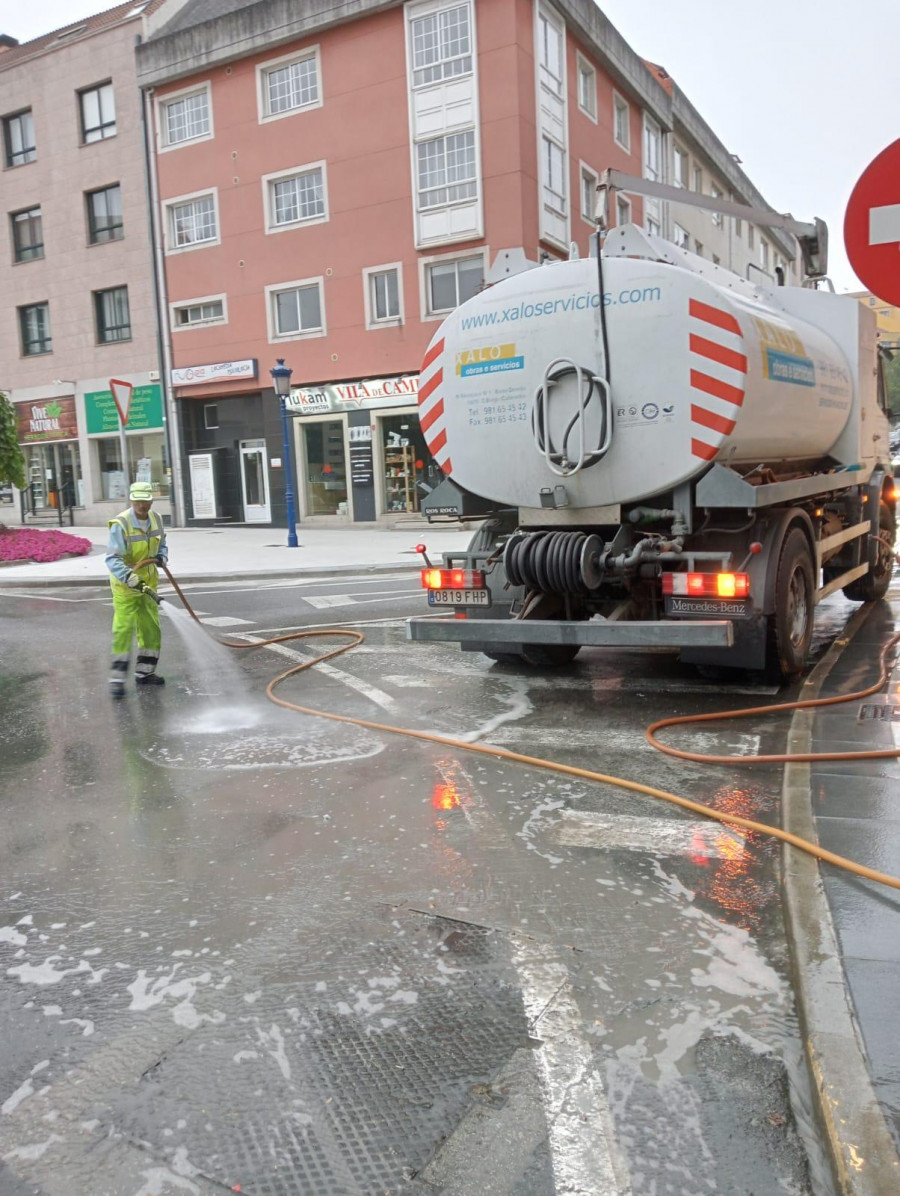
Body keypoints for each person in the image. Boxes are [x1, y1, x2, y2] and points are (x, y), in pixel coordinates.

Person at [105, 481, 168, 697]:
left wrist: (162, 556)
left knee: (151, 628)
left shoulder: (156, 519)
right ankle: (116, 680)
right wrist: (129, 577)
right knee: (123, 630)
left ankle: (145, 673)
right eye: (137, 500)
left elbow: (162, 543)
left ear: (151, 500)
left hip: (148, 585)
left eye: (145, 500)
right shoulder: (120, 524)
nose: (141, 505)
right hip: (125, 586)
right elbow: (112, 559)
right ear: (131, 500)